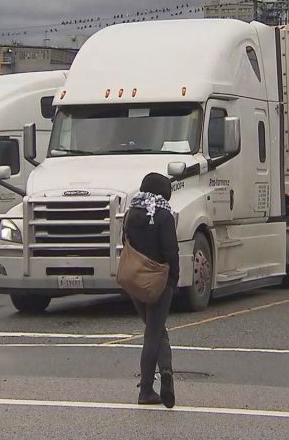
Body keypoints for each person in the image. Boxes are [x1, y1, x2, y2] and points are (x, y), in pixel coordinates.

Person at [125, 172, 179, 408]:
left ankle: (162, 375)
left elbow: (126, 243)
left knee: (156, 329)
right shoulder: (164, 215)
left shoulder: (131, 213)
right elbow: (171, 251)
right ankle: (148, 387)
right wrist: (173, 279)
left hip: (135, 279)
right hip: (158, 280)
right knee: (154, 333)